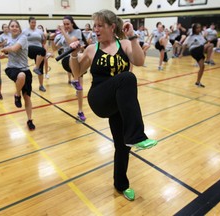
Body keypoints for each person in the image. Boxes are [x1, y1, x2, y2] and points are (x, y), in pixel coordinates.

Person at [69, 9, 158, 201]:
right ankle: (137, 135)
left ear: (111, 27)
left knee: (122, 146)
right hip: (99, 98)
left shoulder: (124, 43)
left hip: (119, 103)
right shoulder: (92, 49)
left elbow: (140, 61)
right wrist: (75, 54)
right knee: (127, 77)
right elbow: (77, 73)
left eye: (100, 25)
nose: (96, 29)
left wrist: (133, 36)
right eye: (95, 26)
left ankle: (121, 184)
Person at [51, 15, 87, 122]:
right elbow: (54, 48)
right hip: (67, 60)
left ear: (72, 23)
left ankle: (80, 111)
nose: (66, 26)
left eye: (67, 24)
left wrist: (62, 31)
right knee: (79, 57)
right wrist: (53, 38)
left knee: (80, 88)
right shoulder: (61, 36)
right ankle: (75, 79)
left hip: (78, 62)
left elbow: (72, 43)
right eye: (64, 24)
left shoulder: (77, 32)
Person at [1, 20, 35, 130]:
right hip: (12, 68)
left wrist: (5, 49)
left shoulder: (23, 37)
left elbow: (14, 49)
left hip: (24, 69)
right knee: (21, 76)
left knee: (27, 98)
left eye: (16, 26)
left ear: (19, 28)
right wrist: (5, 55)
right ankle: (17, 94)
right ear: (9, 28)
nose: (14, 28)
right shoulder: (8, 39)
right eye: (12, 26)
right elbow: (11, 54)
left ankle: (29, 120)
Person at [180, 23, 213, 88]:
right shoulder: (191, 36)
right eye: (197, 28)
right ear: (194, 29)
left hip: (200, 50)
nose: (199, 29)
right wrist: (181, 53)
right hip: (194, 50)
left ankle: (198, 82)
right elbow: (184, 45)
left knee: (202, 67)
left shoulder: (201, 35)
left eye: (199, 27)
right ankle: (208, 60)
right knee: (210, 45)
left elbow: (204, 43)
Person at [23, 16, 46, 92]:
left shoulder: (39, 31)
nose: (33, 24)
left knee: (40, 69)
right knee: (42, 51)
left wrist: (45, 37)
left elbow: (43, 42)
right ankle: (36, 68)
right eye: (32, 22)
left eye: (35, 22)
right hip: (30, 49)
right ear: (29, 23)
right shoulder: (25, 31)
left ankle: (41, 85)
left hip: (39, 52)